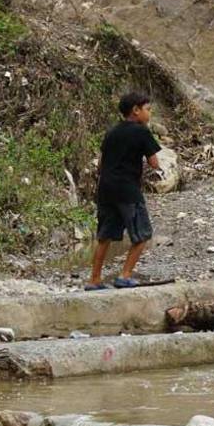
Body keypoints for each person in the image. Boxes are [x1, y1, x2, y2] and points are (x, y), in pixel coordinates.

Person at [88, 92, 161, 291]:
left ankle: (94, 279)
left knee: (105, 236)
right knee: (142, 234)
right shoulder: (142, 132)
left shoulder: (111, 132)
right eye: (148, 109)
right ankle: (125, 275)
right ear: (136, 110)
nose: (149, 113)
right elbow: (154, 163)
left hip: (106, 189)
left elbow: (101, 163)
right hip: (128, 190)